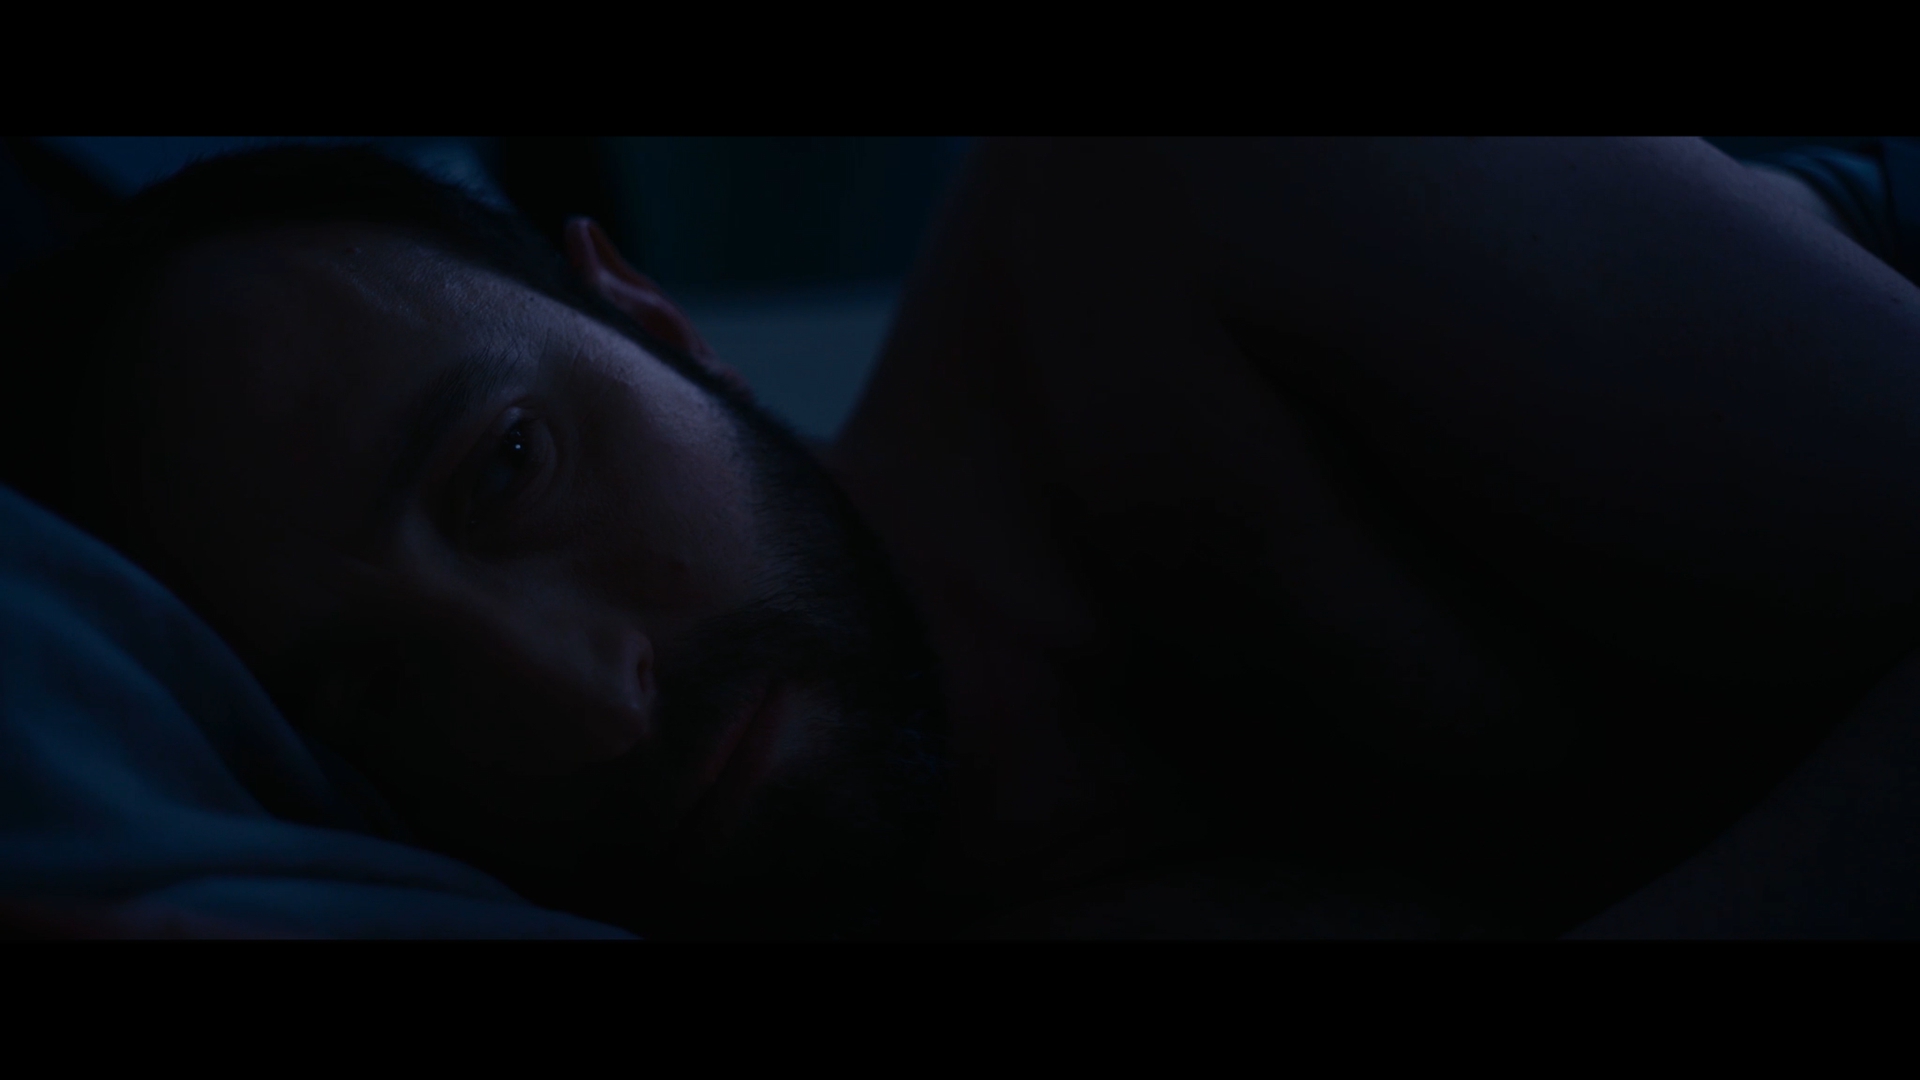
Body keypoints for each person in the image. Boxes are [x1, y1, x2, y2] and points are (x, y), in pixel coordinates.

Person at [7, 137, 1920, 939]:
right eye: (376, 696)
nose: (588, 705)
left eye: (509, 468)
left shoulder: (1209, 217)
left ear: (643, 313)